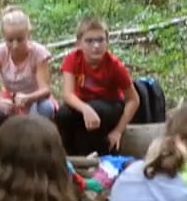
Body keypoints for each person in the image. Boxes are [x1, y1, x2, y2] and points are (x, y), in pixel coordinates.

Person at [55, 15, 140, 156]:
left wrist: (118, 131)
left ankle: (98, 154)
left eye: (100, 40)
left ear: (107, 42)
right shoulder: (72, 59)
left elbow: (133, 99)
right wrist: (85, 108)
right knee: (63, 114)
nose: (96, 46)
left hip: (110, 106)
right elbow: (68, 94)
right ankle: (70, 156)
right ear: (79, 43)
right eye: (89, 41)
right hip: (84, 105)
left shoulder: (114, 65)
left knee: (95, 111)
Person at [0, 6, 57, 141]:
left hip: (34, 99)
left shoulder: (39, 53)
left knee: (46, 107)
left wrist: (28, 98)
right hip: (8, 100)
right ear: (3, 37)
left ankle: (34, 142)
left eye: (20, 39)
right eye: (10, 40)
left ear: (28, 35)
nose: (15, 45)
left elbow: (45, 90)